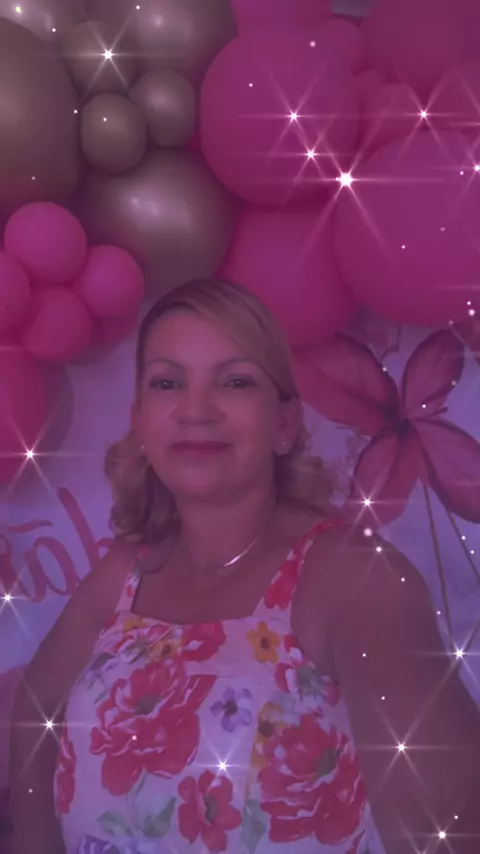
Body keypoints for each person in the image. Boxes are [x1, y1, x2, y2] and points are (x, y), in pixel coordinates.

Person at [9, 278, 480, 854]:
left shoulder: (352, 577)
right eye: (167, 382)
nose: (196, 411)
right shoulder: (125, 576)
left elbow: (450, 826)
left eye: (234, 381)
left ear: (284, 424)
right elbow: (36, 716)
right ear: (141, 421)